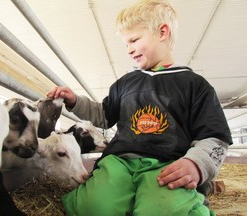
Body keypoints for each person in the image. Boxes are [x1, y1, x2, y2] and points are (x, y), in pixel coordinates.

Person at [47, 0, 232, 215]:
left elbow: (215, 136)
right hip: (120, 162)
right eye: (126, 44)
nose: (129, 49)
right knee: (96, 207)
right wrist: (75, 101)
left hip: (168, 163)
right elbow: (104, 115)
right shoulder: (125, 83)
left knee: (162, 209)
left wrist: (196, 164)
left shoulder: (195, 85)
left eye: (134, 40)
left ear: (162, 32)